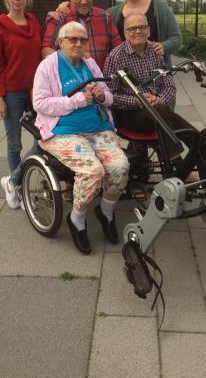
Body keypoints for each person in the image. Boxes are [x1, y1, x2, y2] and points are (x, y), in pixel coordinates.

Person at [33, 21, 129, 255]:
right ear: (60, 42)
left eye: (82, 40)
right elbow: (40, 103)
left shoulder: (90, 63)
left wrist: (100, 95)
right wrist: (76, 101)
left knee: (120, 167)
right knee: (92, 171)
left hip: (98, 128)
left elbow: (108, 97)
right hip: (63, 132)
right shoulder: (47, 66)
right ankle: (77, 219)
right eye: (72, 39)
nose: (78, 44)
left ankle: (105, 212)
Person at [103, 13, 202, 167]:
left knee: (197, 137)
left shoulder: (156, 51)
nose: (138, 31)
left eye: (142, 27)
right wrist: (138, 100)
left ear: (148, 30)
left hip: (159, 110)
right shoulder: (116, 57)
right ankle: (176, 162)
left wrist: (159, 99)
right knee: (160, 111)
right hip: (131, 116)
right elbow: (109, 96)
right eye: (133, 28)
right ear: (125, 33)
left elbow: (169, 84)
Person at [0, 0, 42, 210]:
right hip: (11, 93)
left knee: (45, 137)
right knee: (14, 145)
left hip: (35, 92)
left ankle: (11, 180)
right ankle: (17, 189)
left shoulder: (33, 23)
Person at [41, 0, 122, 70]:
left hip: (100, 81)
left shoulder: (104, 17)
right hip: (69, 81)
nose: (84, 1)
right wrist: (72, 66)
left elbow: (119, 50)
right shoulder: (59, 18)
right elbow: (47, 51)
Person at [108, 0, 182, 68]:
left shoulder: (160, 8)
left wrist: (163, 47)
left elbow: (176, 38)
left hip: (157, 74)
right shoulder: (111, 14)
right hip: (125, 76)